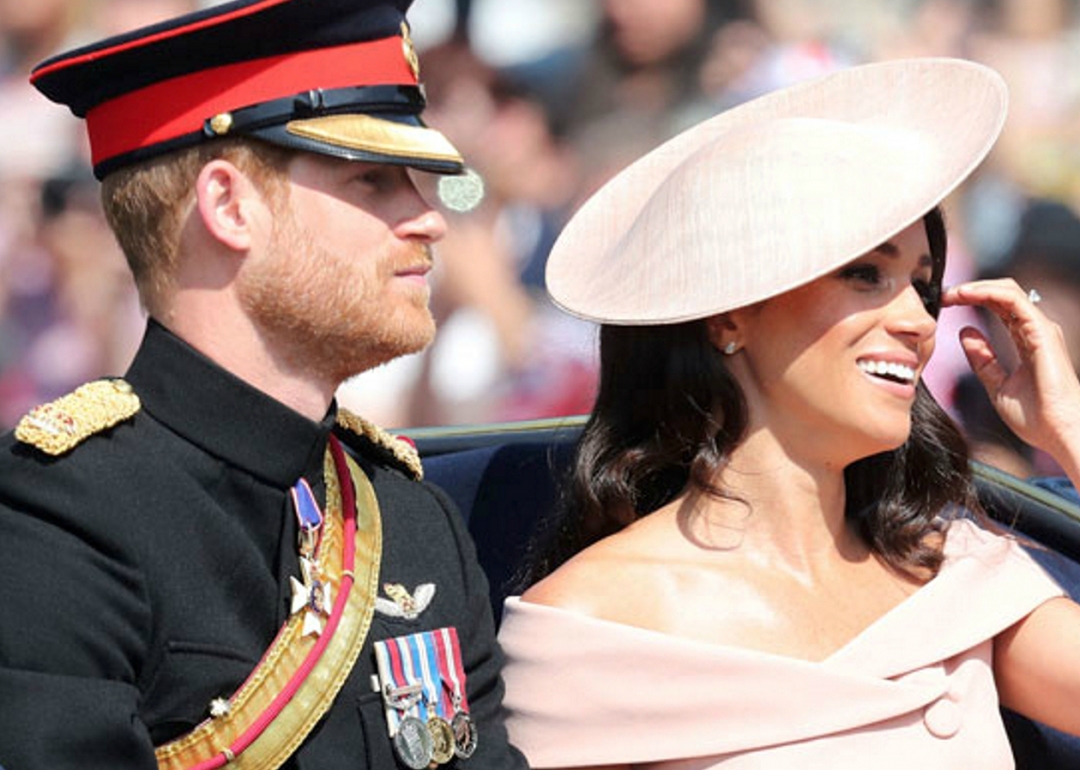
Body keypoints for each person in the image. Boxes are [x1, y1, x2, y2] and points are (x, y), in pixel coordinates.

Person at [496, 58, 1080, 768]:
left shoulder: (956, 577)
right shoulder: (587, 628)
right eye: (865, 273)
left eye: (923, 286)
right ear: (730, 315)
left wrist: (1071, 431)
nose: (917, 322)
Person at [0, 2, 527, 769]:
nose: (429, 219)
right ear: (228, 206)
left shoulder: (412, 519)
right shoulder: (57, 517)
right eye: (375, 181)